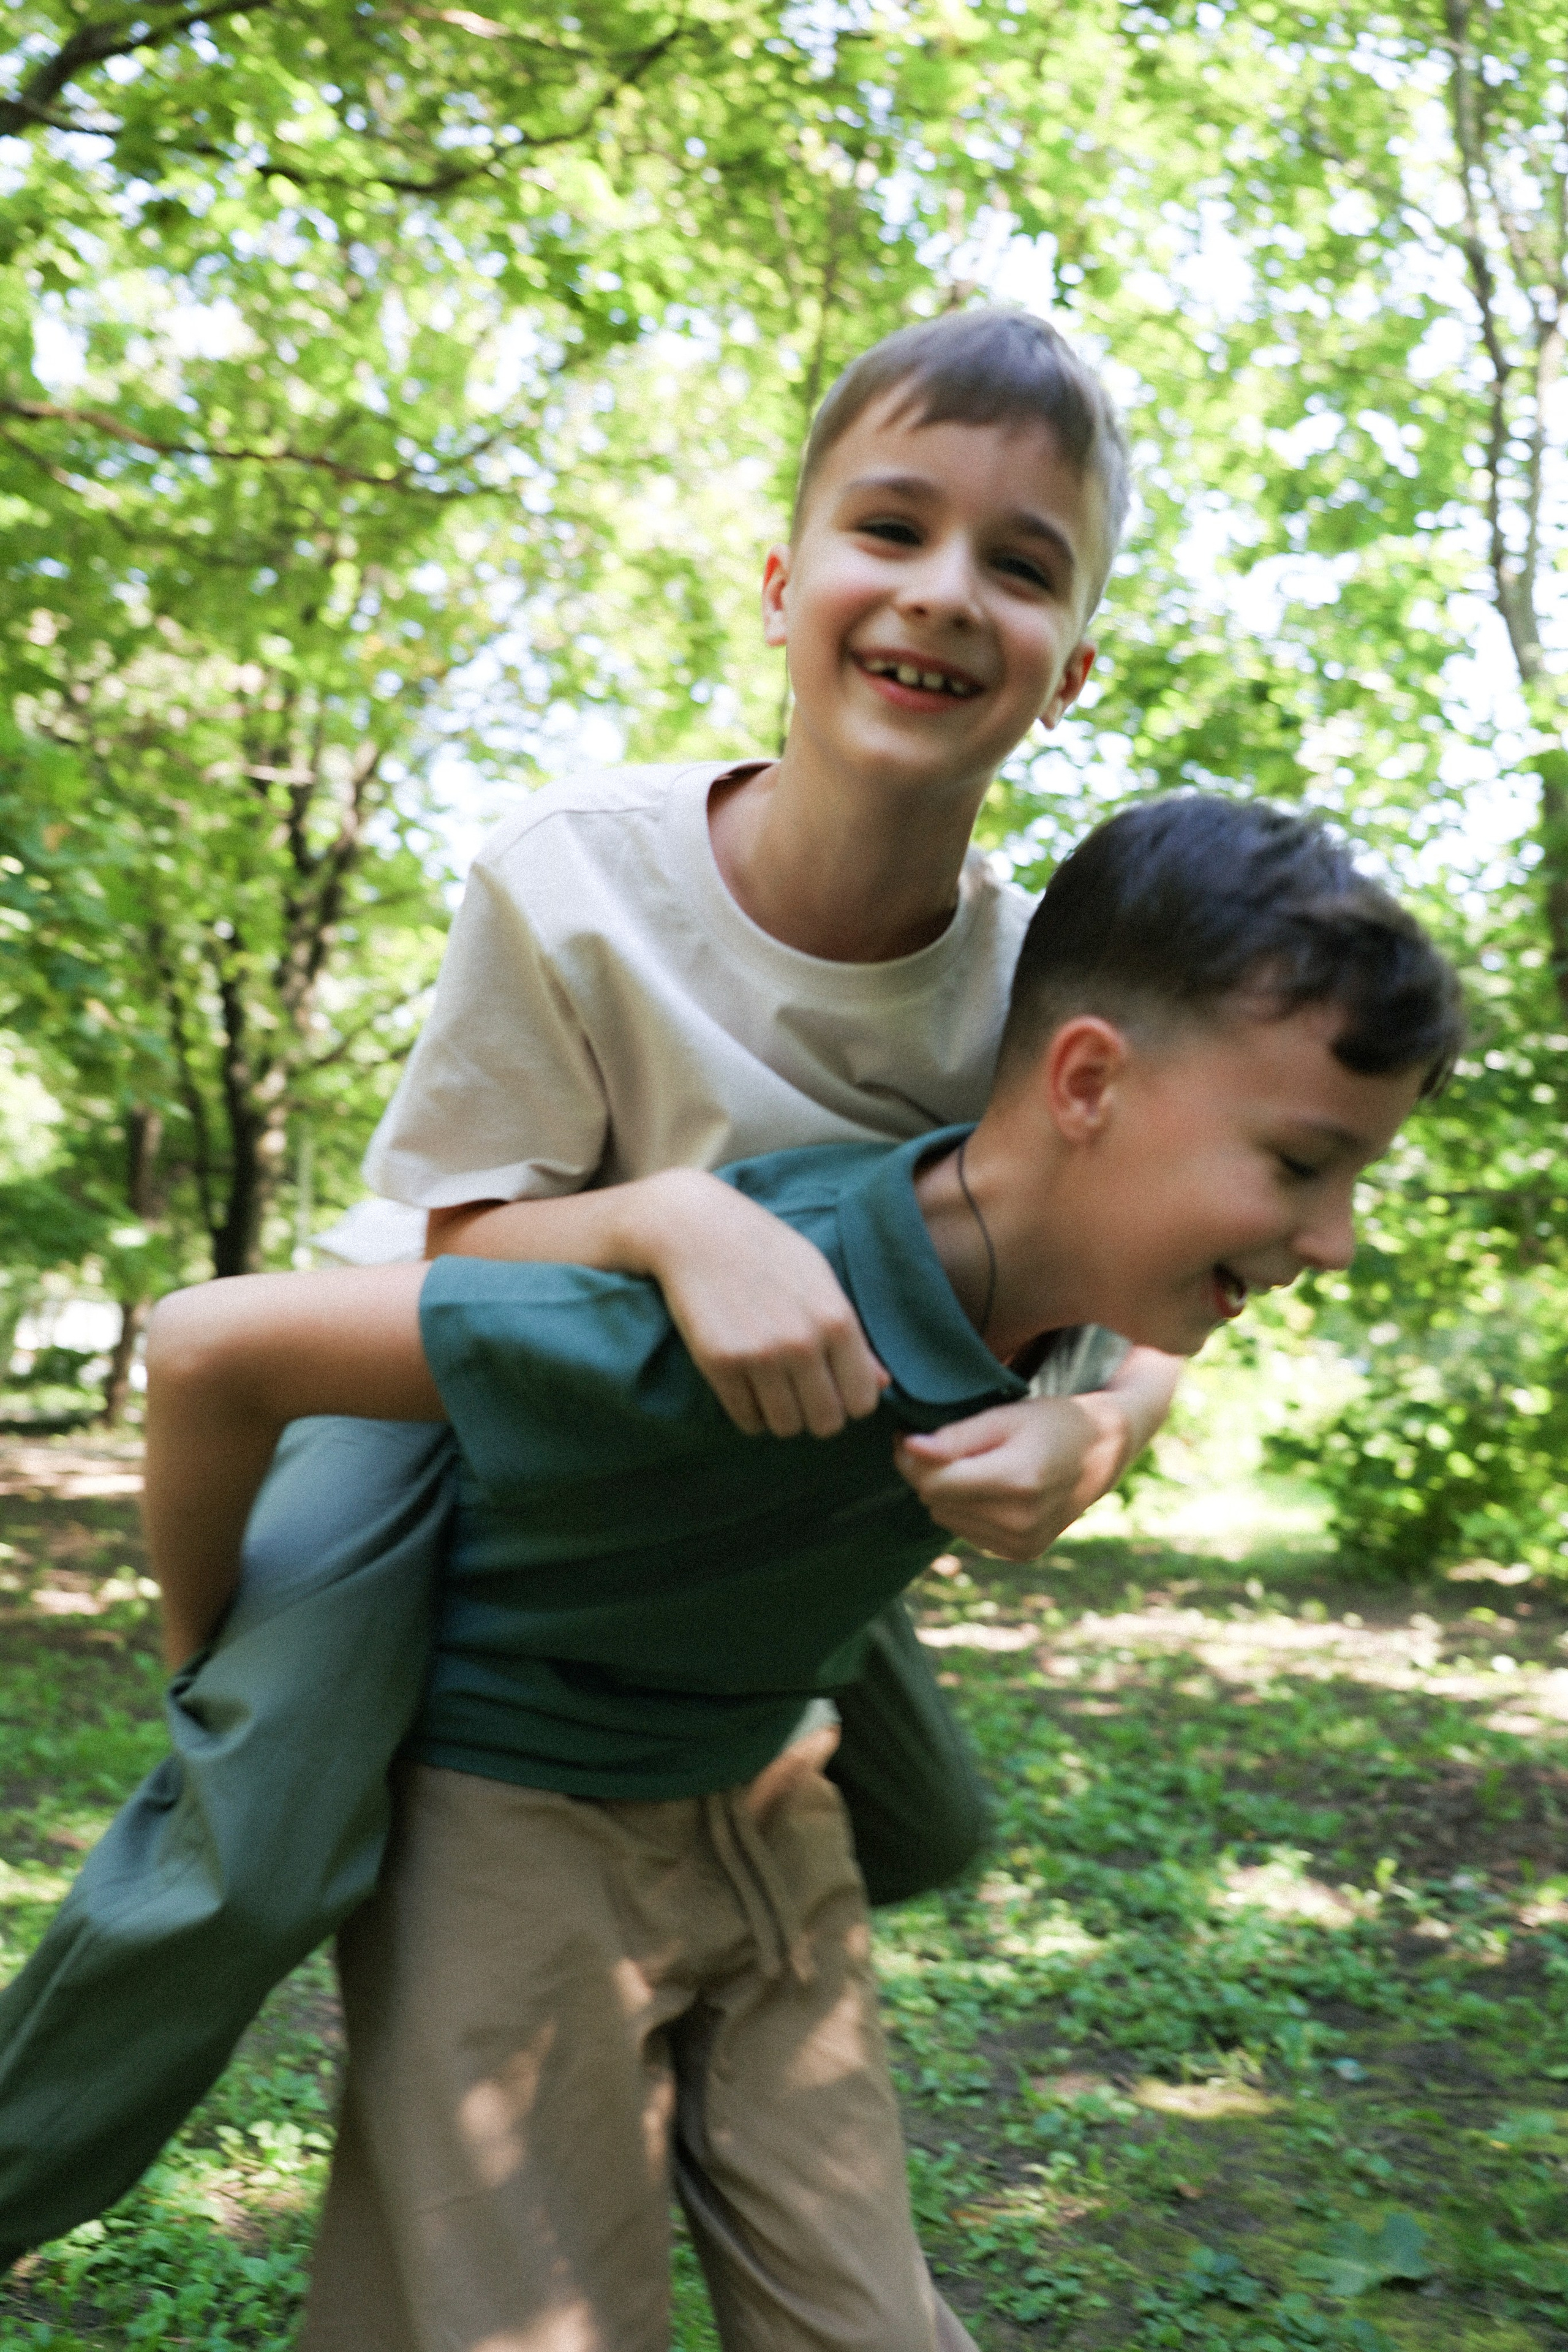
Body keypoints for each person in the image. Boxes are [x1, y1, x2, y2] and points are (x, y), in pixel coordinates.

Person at [0, 305, 1180, 2264]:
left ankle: (681, 1987)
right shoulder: (578, 877)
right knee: (258, 1840)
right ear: (785, 582)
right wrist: (663, 1219)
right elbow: (463, 1244)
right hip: (440, 1397)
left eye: (1023, 563)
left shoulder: (1025, 994)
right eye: (893, 528)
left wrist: (1106, 1421)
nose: (944, 592)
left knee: (936, 1823)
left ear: (1071, 673)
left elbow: (1136, 1273)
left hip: (724, 1470)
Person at [139, 794, 1464, 2352]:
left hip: (775, 1809)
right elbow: (211, 1344)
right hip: (513, 1836)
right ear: (1086, 1083)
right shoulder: (754, 1314)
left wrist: (1102, 1424)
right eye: (1302, 1165)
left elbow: (1134, 1346)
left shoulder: (1082, 1267)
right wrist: (213, 1673)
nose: (1335, 1240)